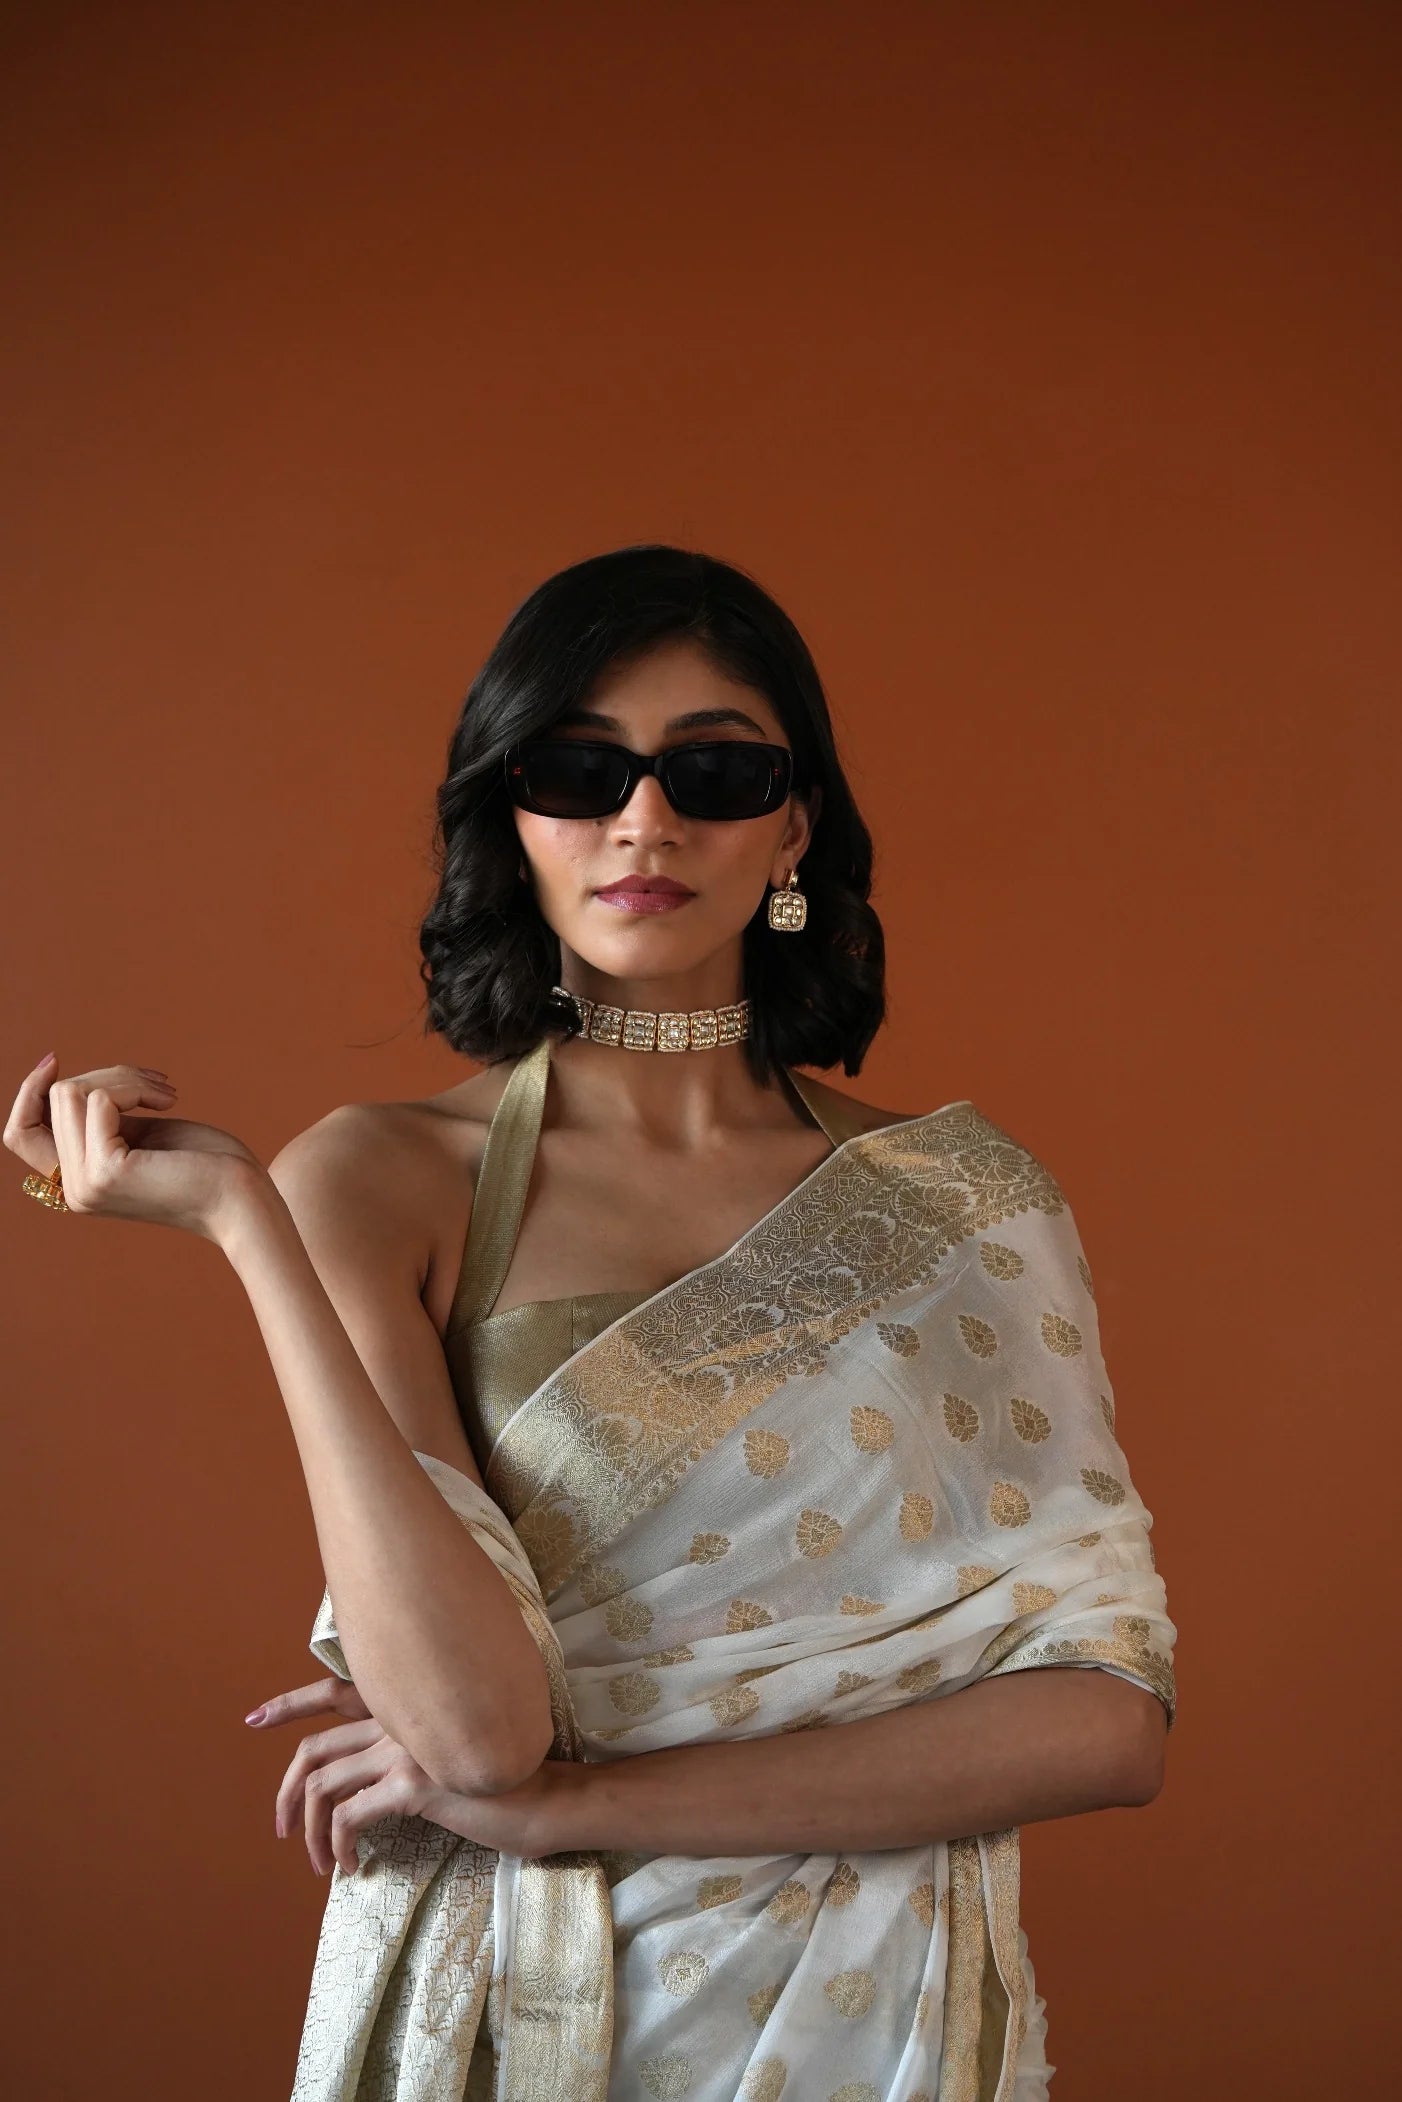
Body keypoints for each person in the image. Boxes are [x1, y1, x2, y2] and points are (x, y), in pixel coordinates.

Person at [10, 544, 1176, 2101]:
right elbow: (476, 1735)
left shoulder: (962, 1206)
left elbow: (1104, 1720)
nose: (645, 817)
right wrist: (247, 1228)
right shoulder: (378, 1180)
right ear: (513, 816)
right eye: (579, 767)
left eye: (713, 767)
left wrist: (581, 1803)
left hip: (868, 2017)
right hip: (525, 2001)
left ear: (793, 824)